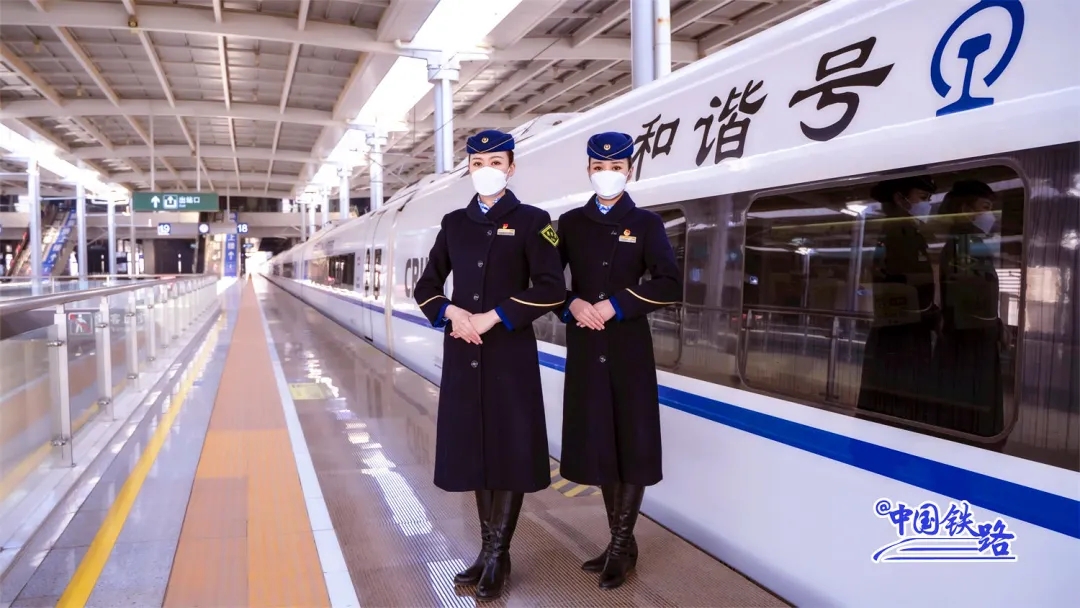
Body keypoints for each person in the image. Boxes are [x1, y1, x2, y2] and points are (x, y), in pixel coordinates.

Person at [412, 129, 566, 600]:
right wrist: (450, 313)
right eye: (477, 163)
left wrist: (495, 316)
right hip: (464, 351)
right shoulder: (454, 224)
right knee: (477, 451)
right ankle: (488, 550)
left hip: (509, 353)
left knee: (510, 450)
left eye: (495, 162)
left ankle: (498, 555)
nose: (486, 170)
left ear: (511, 167)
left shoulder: (534, 222)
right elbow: (427, 286)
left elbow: (551, 288)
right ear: (469, 168)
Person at [554, 132, 683, 589]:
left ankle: (621, 544)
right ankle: (619, 545)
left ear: (630, 170)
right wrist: (570, 304)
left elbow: (669, 283)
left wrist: (618, 305)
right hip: (586, 347)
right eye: (599, 167)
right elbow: (546, 281)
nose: (607, 174)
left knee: (631, 441)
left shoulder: (646, 224)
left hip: (629, 348)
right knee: (601, 441)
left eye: (616, 167)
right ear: (588, 170)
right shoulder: (569, 223)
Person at [857, 176, 939, 425]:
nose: (928, 205)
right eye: (922, 198)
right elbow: (900, 289)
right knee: (895, 414)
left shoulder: (909, 234)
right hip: (899, 341)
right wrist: (932, 315)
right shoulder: (897, 235)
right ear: (900, 199)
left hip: (906, 337)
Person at [932, 179, 1005, 437]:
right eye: (985, 207)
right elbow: (968, 296)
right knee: (971, 413)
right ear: (965, 209)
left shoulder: (967, 242)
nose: (990, 215)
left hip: (970, 339)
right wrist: (991, 326)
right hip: (971, 345)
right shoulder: (965, 243)